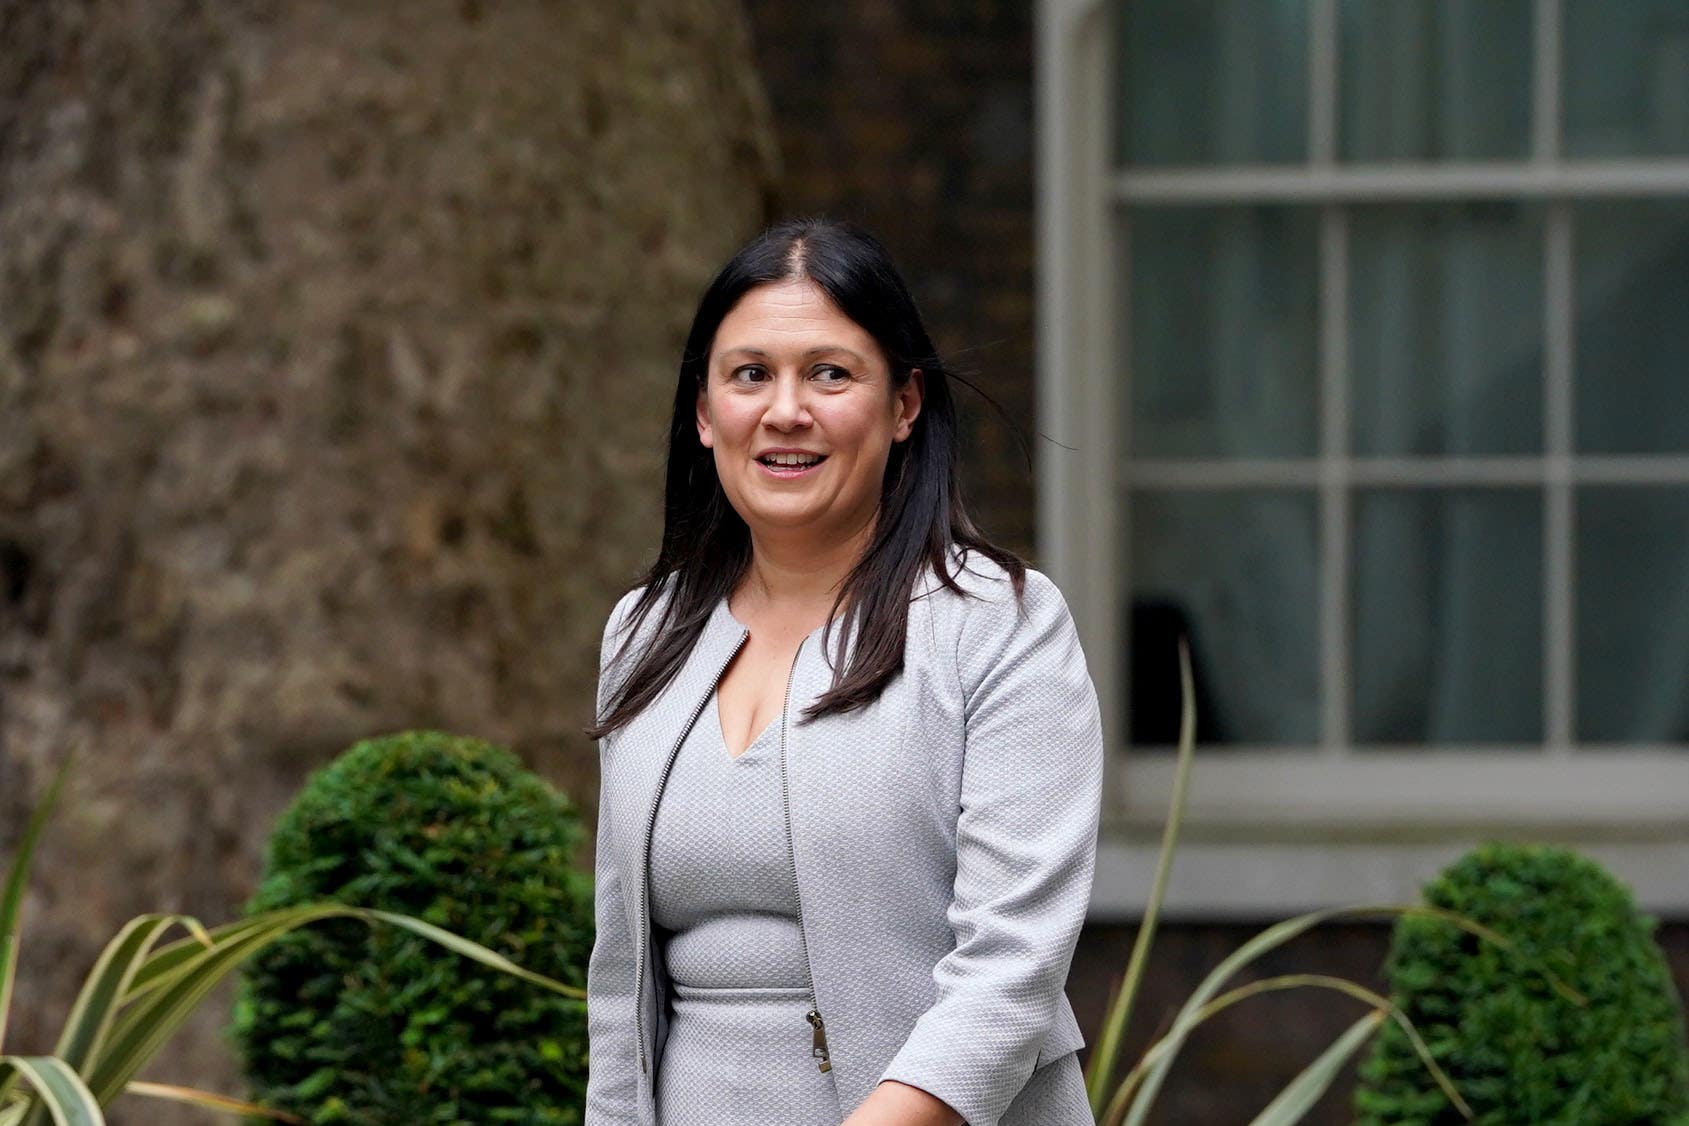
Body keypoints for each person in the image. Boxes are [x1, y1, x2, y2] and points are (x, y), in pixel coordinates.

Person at [583, 217, 1103, 1126]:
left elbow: (1012, 964)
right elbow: (619, 980)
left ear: (903, 404)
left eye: (830, 373)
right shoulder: (645, 631)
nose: (786, 410)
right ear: (704, 413)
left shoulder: (998, 624)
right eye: (750, 375)